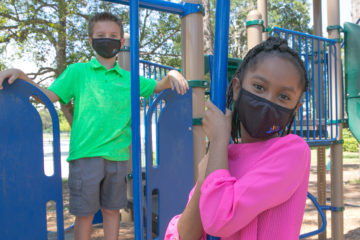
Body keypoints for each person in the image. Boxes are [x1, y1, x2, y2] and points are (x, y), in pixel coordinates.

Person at [0, 12, 188, 240]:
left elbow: (159, 86)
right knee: (85, 214)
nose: (107, 39)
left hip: (117, 157)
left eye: (113, 35)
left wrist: (172, 72)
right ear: (91, 41)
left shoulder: (129, 79)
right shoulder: (78, 72)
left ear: (121, 42)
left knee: (112, 211)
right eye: (101, 35)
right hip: (85, 154)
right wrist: (22, 77)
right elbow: (47, 96)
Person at [165, 37, 311, 240]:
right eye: (259, 87)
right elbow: (184, 235)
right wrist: (204, 177)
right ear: (236, 88)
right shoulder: (222, 156)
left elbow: (219, 220)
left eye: (284, 97)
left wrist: (217, 143)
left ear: (295, 108)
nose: (268, 101)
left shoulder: (292, 151)